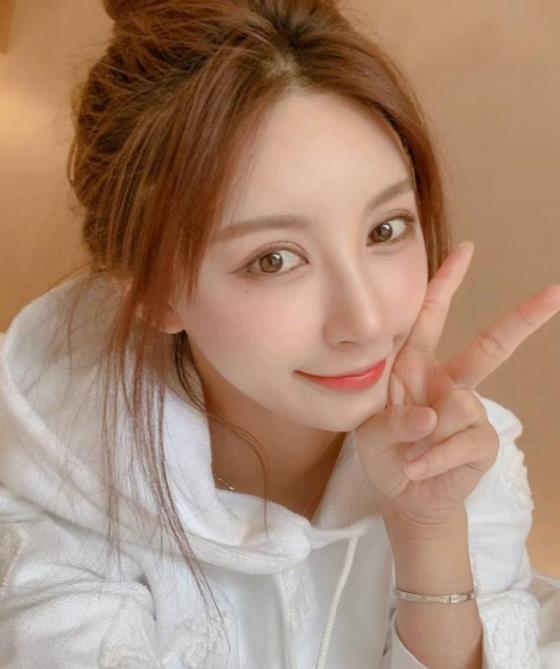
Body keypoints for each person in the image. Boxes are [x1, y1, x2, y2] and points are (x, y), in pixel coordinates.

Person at [1, 1, 559, 667]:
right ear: (151, 289)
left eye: (385, 229)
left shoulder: (460, 456)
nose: (367, 322)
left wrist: (428, 531)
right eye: (273, 259)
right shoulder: (61, 491)